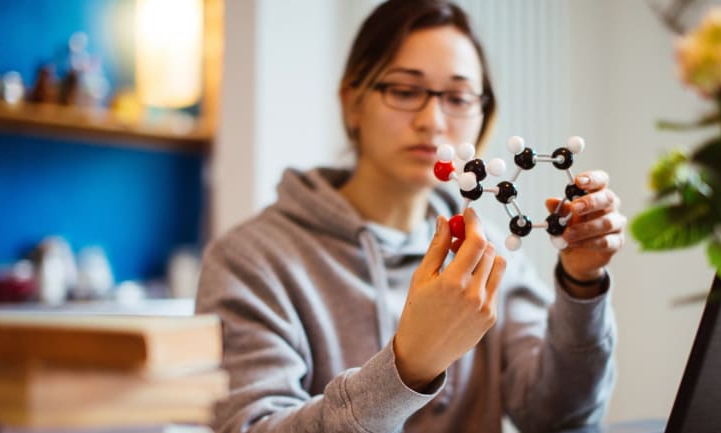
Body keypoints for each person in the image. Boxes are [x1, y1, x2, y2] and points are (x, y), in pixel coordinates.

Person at [196, 1, 626, 432]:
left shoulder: (490, 255)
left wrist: (581, 285)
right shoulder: (249, 261)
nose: (432, 121)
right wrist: (409, 366)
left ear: (483, 116)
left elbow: (561, 419)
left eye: (457, 98)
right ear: (353, 104)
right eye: (404, 91)